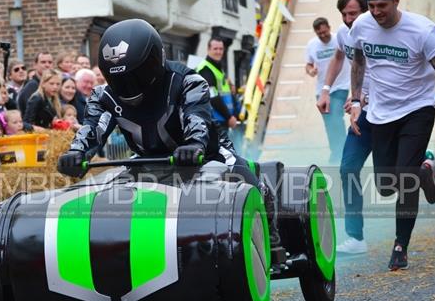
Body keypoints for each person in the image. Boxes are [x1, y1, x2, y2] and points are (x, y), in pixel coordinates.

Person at [58, 18, 283, 250]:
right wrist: (77, 152)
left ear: (154, 61)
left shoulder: (188, 81)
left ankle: (273, 242)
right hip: (146, 161)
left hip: (207, 155)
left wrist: (194, 145)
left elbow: (197, 118)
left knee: (246, 178)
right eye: (120, 79)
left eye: (135, 75)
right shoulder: (102, 96)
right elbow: (93, 127)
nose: (128, 85)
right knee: (104, 197)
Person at [349, 0, 435, 270]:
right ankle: (425, 170)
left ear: (397, 1)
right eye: (371, 5)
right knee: (386, 186)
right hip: (381, 113)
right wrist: (357, 101)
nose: (376, 12)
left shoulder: (421, 30)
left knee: (404, 180)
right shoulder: (361, 26)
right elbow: (358, 61)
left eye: (382, 5)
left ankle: (400, 245)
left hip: (417, 110)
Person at [317, 0, 371, 255]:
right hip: (362, 109)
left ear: (366, 10)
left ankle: (423, 158)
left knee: (391, 179)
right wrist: (325, 89)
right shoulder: (342, 33)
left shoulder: (378, 32)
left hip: (386, 108)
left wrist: (360, 98)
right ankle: (356, 237)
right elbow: (340, 56)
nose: (349, 19)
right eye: (344, 14)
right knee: (347, 168)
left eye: (354, 13)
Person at [306, 17, 349, 164]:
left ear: (329, 28)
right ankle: (337, 151)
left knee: (335, 116)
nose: (323, 35)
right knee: (329, 122)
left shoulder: (339, 39)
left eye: (325, 32)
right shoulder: (312, 45)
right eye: (319, 34)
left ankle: (343, 151)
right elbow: (308, 64)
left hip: (341, 86)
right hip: (322, 90)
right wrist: (311, 71)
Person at [196, 37, 239, 147]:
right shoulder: (205, 69)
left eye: (221, 49)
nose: (219, 52)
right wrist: (229, 117)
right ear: (208, 49)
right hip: (216, 121)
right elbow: (213, 97)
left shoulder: (217, 67)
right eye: (215, 49)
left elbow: (224, 92)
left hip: (223, 120)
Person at [16, 51, 53, 115]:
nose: (47, 65)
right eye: (43, 62)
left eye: (50, 62)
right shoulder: (32, 86)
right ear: (35, 65)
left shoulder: (52, 85)